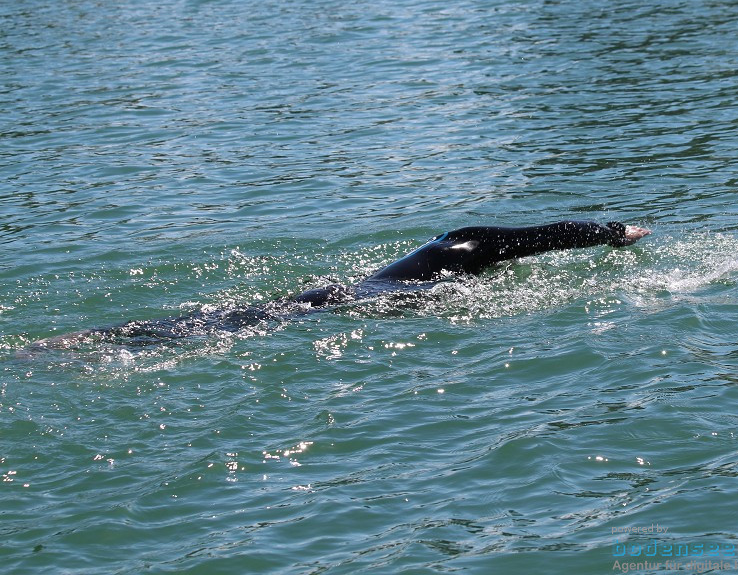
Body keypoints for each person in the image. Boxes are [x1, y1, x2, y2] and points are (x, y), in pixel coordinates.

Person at [26, 220, 651, 351]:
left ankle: (97, 338)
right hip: (375, 301)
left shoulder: (453, 240)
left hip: (348, 285)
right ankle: (111, 344)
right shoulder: (479, 250)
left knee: (250, 315)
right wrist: (615, 232)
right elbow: (548, 236)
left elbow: (541, 233)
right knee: (250, 325)